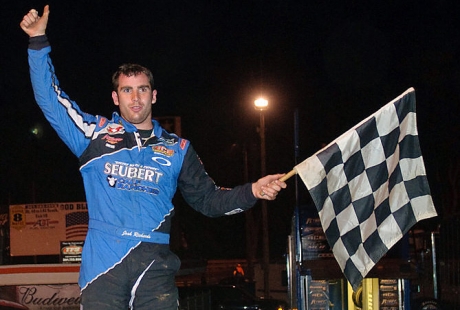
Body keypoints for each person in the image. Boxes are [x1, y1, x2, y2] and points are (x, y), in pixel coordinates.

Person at [20, 5, 287, 310]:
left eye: (142, 90)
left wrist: (253, 190)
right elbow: (50, 99)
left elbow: (209, 200)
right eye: (127, 90)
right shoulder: (92, 134)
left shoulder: (178, 148)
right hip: (103, 268)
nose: (135, 98)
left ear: (153, 95)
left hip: (155, 266)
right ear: (115, 97)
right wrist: (38, 41)